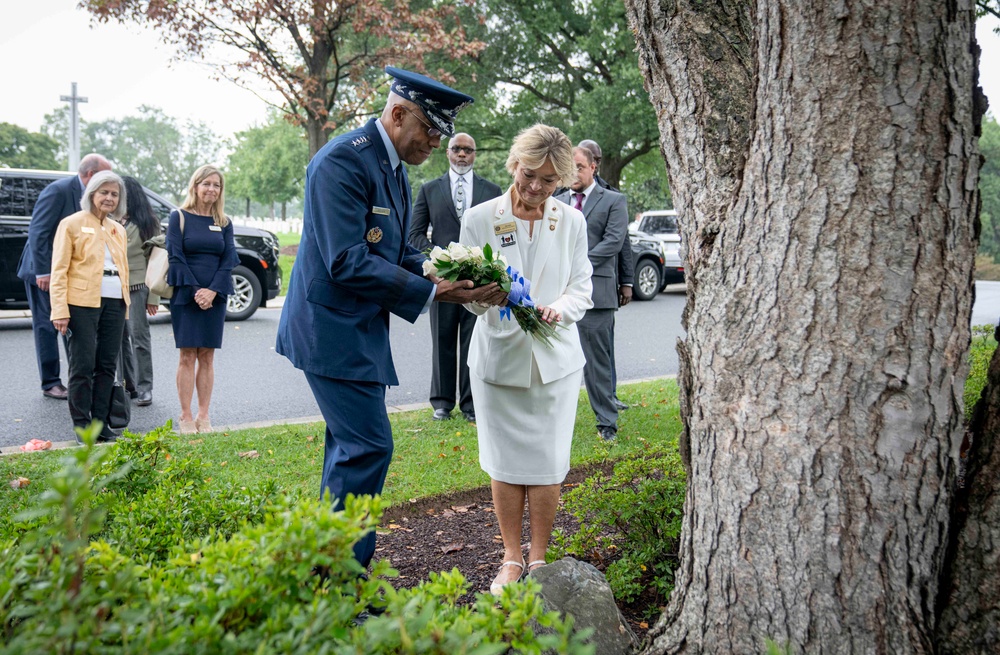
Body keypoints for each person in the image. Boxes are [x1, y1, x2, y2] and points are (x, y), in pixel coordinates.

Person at [276, 67, 506, 571]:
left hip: (357, 331)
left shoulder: (394, 168)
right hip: (330, 331)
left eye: (442, 134)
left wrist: (445, 274)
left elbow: (396, 250)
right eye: (429, 129)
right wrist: (431, 291)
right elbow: (346, 260)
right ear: (398, 113)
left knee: (349, 454)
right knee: (368, 448)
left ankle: (327, 577)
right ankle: (341, 581)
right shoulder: (342, 161)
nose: (435, 141)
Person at [458, 124, 594, 594]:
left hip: (555, 361)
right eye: (530, 175)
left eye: (550, 181)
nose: (536, 188)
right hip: (499, 359)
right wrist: (486, 297)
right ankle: (510, 557)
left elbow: (582, 286)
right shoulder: (479, 218)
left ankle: (539, 559)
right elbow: (467, 296)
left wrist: (562, 309)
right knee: (505, 460)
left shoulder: (571, 222)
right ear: (515, 164)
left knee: (549, 461)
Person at [408, 132, 503, 423]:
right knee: (443, 340)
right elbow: (414, 234)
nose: (462, 154)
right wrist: (438, 262)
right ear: (447, 152)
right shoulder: (429, 189)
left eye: (468, 150)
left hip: (479, 281)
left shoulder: (492, 190)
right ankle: (442, 402)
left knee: (475, 341)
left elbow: (500, 233)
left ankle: (471, 403)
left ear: (475, 154)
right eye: (457, 149)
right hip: (443, 281)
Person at [17, 154, 113, 400]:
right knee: (46, 326)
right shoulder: (58, 190)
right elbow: (38, 231)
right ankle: (50, 382)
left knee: (73, 324)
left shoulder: (91, 196)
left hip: (70, 271)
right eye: (105, 175)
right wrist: (44, 271)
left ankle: (78, 379)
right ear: (91, 175)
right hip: (44, 272)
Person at [48, 170, 130, 443]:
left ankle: (100, 424)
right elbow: (59, 270)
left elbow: (123, 269)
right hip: (80, 303)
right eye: (103, 192)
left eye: (114, 194)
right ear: (92, 194)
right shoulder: (71, 224)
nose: (109, 198)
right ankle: (83, 427)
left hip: (114, 301)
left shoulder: (117, 228)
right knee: (82, 366)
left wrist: (126, 303)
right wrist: (59, 309)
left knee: (106, 365)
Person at [556, 146, 629, 440]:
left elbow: (614, 242)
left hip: (596, 294)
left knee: (597, 363)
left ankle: (607, 423)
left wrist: (576, 265)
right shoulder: (557, 201)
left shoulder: (613, 200)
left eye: (579, 167)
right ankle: (557, 421)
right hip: (558, 294)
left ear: (593, 168)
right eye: (569, 168)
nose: (574, 173)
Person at [166, 165, 238, 435]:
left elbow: (229, 259)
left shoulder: (224, 222)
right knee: (187, 356)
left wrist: (212, 291)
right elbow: (175, 256)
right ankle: (185, 416)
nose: (211, 189)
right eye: (206, 183)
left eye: (216, 185)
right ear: (195, 186)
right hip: (186, 293)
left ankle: (203, 415)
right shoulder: (179, 217)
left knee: (207, 356)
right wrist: (197, 290)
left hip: (215, 295)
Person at [578, 139, 633, 411]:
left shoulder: (611, 196)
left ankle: (608, 396)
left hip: (600, 285)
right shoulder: (562, 196)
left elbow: (622, 243)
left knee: (602, 349)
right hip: (568, 288)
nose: (597, 162)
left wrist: (627, 281)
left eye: (598, 157)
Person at [117, 176, 161, 407]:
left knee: (139, 339)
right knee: (116, 340)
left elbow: (156, 260)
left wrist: (153, 296)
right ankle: (125, 385)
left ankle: (145, 388)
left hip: (138, 288)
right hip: (112, 288)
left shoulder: (147, 223)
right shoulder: (108, 219)